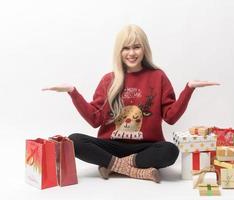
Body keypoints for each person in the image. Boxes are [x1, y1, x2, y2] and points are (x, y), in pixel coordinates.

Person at [42, 24, 220, 183]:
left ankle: (113, 166)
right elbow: (95, 119)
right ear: (119, 52)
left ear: (144, 49)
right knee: (74, 140)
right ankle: (135, 170)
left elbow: (171, 117)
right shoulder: (109, 80)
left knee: (170, 151)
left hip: (145, 148)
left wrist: (189, 88)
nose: (131, 53)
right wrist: (73, 92)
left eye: (136, 47)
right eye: (125, 48)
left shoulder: (158, 77)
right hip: (111, 146)